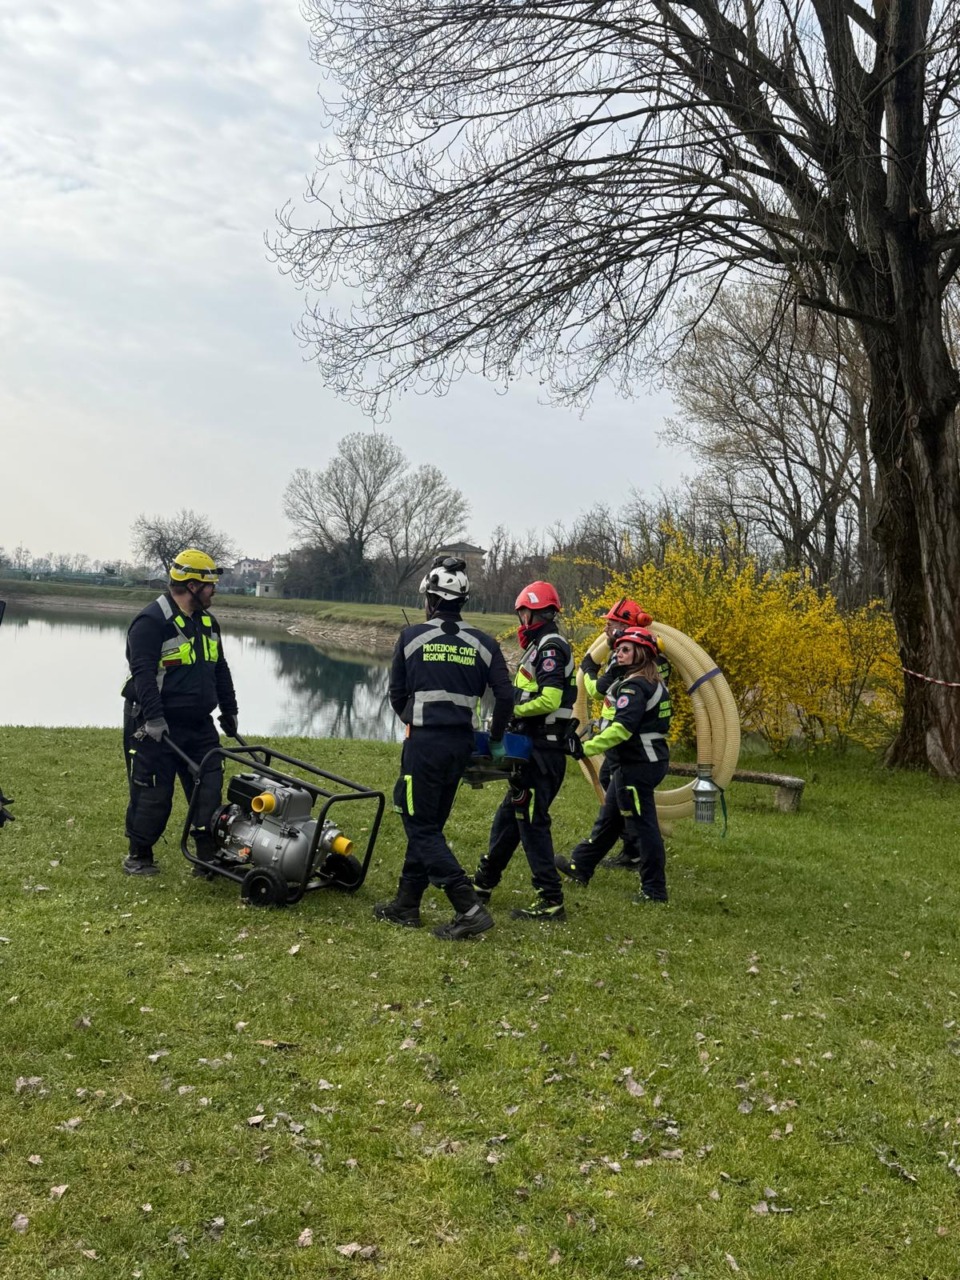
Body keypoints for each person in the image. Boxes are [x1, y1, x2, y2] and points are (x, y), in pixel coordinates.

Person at [376, 556, 514, 940]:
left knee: (418, 823)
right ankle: (406, 903)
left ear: (430, 600)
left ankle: (467, 905)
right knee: (431, 823)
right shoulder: (485, 644)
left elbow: (396, 695)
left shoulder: (411, 637)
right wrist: (499, 738)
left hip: (424, 743)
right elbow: (505, 696)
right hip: (460, 745)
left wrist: (416, 716)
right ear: (462, 600)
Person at [121, 548, 239, 876]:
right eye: (209, 584)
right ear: (191, 586)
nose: (214, 590)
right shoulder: (151, 621)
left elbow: (220, 668)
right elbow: (143, 673)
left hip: (198, 725)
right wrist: (155, 718)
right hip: (154, 722)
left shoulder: (207, 622)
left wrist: (229, 710)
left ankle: (206, 857)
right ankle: (139, 855)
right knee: (153, 791)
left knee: (209, 786)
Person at [472, 581, 577, 922]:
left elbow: (550, 699)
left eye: (523, 612)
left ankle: (550, 899)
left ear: (536, 612)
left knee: (531, 823)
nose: (520, 619)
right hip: (533, 747)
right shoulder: (540, 645)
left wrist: (512, 709)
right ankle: (484, 882)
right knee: (509, 818)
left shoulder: (550, 648)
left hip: (543, 751)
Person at [555, 627, 672, 903]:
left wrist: (585, 747)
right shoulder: (648, 681)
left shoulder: (634, 687)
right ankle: (581, 866)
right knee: (610, 818)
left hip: (638, 764)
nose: (618, 653)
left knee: (644, 827)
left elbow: (622, 729)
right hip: (637, 761)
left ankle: (654, 889)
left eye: (625, 649)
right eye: (617, 648)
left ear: (641, 654)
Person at [579, 598, 653, 871]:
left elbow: (598, 690)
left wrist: (587, 669)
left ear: (626, 627)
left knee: (617, 788)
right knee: (613, 784)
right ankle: (629, 849)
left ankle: (632, 850)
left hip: (627, 735)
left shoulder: (626, 657)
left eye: (612, 623)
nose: (607, 628)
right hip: (625, 731)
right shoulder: (636, 653)